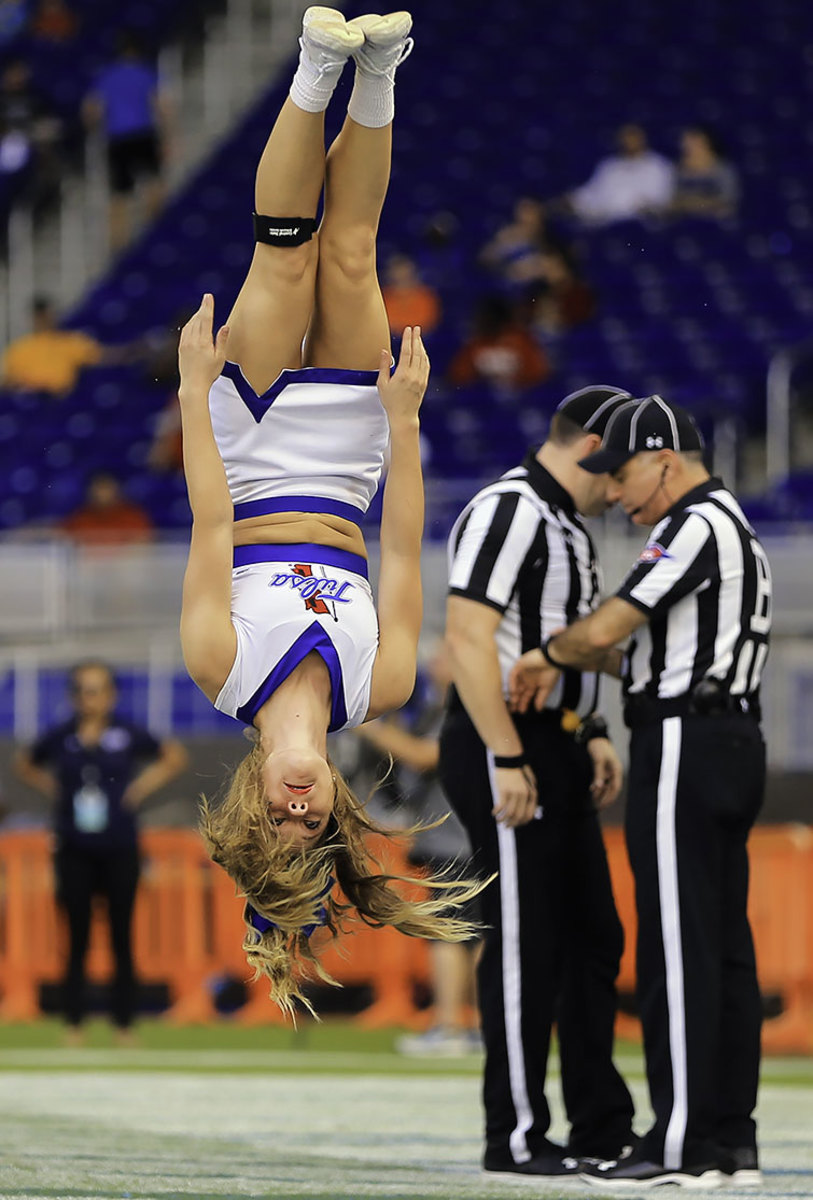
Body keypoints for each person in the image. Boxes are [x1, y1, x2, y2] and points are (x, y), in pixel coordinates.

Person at [176, 7, 485, 1020]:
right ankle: (383, 70)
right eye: (315, 834)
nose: (299, 816)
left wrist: (192, 396)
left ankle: (316, 68)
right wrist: (406, 421)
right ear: (341, 809)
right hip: (352, 473)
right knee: (354, 256)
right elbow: (404, 545)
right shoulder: (379, 683)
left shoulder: (218, 668)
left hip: (257, 459)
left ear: (252, 802)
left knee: (287, 258)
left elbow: (212, 524)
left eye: (276, 827)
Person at [510, 394, 771, 1189]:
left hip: (686, 740)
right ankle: (727, 1139)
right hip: (729, 736)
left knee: (677, 949)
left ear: (664, 460)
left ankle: (680, 1143)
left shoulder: (692, 523)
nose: (616, 496)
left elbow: (604, 631)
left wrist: (544, 653)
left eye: (622, 476)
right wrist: (582, 658)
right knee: (723, 949)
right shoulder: (730, 527)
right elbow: (650, 658)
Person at [438, 385, 637, 1178]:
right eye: (615, 466)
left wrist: (585, 730)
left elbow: (552, 646)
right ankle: (514, 1134)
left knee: (594, 936)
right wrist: (508, 754)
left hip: (548, 741)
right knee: (526, 943)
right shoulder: (511, 508)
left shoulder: (568, 527)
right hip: (503, 742)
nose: (620, 488)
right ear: (590, 446)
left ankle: (599, 1125)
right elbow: (466, 636)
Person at [13, 660, 188, 1043]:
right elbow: (24, 762)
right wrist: (55, 790)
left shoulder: (126, 734)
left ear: (110, 695)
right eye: (82, 691)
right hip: (74, 847)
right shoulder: (62, 736)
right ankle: (73, 1022)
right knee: (74, 937)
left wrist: (138, 790)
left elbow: (173, 756)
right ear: (74, 696)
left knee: (122, 935)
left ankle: (124, 1023)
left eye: (97, 690)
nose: (89, 699)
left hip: (119, 846)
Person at [353, 639, 481, 1055]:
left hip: (458, 840)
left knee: (451, 933)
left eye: (445, 655)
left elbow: (426, 757)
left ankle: (451, 1026)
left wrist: (367, 726)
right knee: (470, 931)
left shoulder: (468, 711)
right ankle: (479, 1027)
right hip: (449, 837)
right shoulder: (437, 712)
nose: (434, 661)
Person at [82, 31, 171, 250]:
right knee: (154, 184)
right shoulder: (146, 73)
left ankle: (118, 246)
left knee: (119, 195)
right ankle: (153, 234)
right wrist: (169, 137)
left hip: (117, 138)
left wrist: (95, 128)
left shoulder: (107, 76)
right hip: (143, 134)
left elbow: (91, 110)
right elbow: (162, 105)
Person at [561, 124, 674, 226]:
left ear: (643, 138)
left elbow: (661, 200)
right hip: (604, 223)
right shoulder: (609, 166)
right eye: (626, 137)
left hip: (640, 225)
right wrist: (573, 200)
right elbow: (591, 194)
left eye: (634, 136)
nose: (630, 141)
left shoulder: (658, 165)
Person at [446, 293, 551, 394]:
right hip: (484, 402)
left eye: (486, 317)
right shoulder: (476, 343)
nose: (481, 321)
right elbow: (459, 377)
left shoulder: (521, 341)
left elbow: (538, 375)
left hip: (520, 399)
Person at [1, 295, 103, 394]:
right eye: (40, 316)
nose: (44, 319)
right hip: (29, 399)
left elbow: (101, 357)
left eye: (47, 315)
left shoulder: (71, 342)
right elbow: (8, 381)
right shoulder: (19, 348)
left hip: (62, 399)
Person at [60, 471, 154, 546]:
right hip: (88, 568)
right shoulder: (78, 518)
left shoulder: (134, 517)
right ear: (90, 491)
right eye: (99, 488)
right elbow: (66, 540)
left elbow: (144, 545)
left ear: (117, 489)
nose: (102, 493)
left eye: (106, 487)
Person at [670, 125, 739, 220]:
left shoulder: (723, 170)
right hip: (684, 222)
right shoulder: (677, 170)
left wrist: (697, 203)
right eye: (686, 143)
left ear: (707, 143)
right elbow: (671, 201)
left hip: (715, 222)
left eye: (694, 142)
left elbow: (729, 201)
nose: (687, 146)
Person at [381, 251, 442, 339]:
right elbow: (385, 325)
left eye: (404, 272)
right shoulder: (383, 298)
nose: (401, 276)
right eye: (397, 271)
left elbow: (428, 324)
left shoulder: (426, 296)